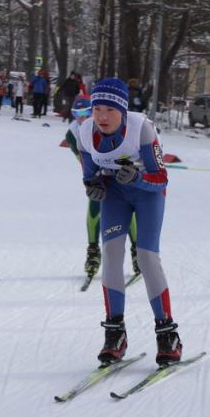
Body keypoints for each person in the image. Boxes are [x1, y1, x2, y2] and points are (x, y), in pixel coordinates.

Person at [75, 78, 182, 367]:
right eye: (97, 109)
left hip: (148, 195)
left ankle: (167, 334)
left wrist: (137, 177)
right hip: (115, 196)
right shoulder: (85, 132)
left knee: (147, 258)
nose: (102, 117)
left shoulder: (141, 129)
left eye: (110, 110)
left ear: (123, 110)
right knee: (111, 255)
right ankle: (115, 334)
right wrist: (93, 186)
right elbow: (90, 175)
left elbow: (161, 177)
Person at [65, 95, 139, 279]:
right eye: (77, 115)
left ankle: (138, 252)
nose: (82, 119)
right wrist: (94, 179)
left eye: (86, 113)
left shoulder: (113, 124)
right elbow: (84, 161)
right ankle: (93, 252)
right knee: (95, 205)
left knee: (126, 208)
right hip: (98, 173)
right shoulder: (73, 134)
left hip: (120, 171)